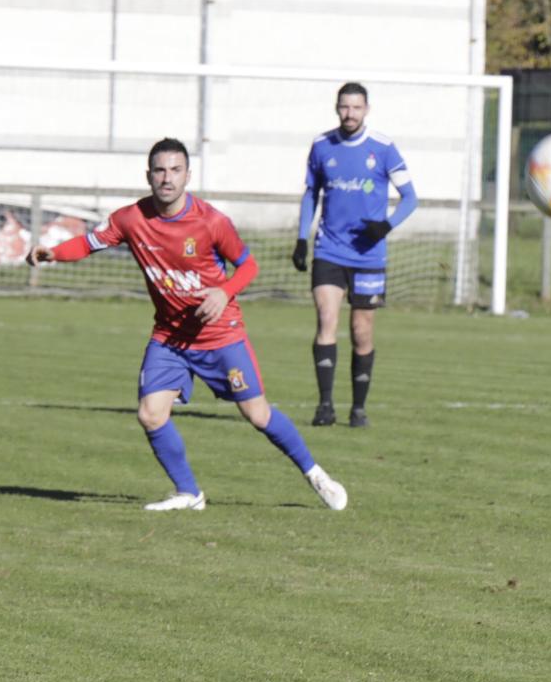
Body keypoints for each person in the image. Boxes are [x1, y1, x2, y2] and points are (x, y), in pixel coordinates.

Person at [29, 139, 348, 513]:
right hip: (169, 338)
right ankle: (188, 493)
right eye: (160, 170)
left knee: (257, 415)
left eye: (175, 170)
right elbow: (89, 243)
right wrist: (54, 253)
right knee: (150, 413)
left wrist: (223, 293)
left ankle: (316, 475)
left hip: (220, 336)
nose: (167, 178)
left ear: (187, 175)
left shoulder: (211, 222)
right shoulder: (130, 219)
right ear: (148, 175)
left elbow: (248, 266)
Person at [291, 82, 418, 428]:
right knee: (326, 320)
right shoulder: (321, 146)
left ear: (367, 109)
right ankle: (325, 406)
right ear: (337, 108)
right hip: (329, 250)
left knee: (361, 330)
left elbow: (410, 197)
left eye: (356, 108)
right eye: (344, 107)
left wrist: (386, 226)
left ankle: (358, 408)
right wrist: (302, 238)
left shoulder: (384, 148)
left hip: (369, 256)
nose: (350, 114)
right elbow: (310, 194)